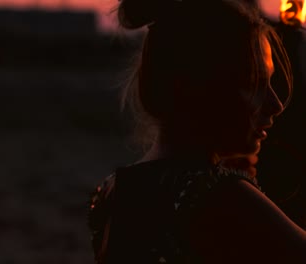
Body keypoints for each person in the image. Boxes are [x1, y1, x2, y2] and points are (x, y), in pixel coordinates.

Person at [87, 0, 306, 263]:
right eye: (255, 83)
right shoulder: (222, 197)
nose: (276, 105)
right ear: (200, 86)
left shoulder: (114, 192)